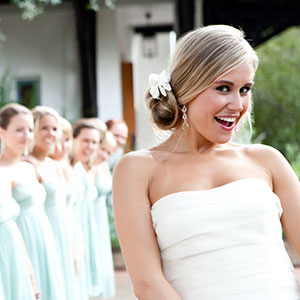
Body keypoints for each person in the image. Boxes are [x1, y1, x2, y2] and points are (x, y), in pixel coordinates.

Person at [113, 24, 300, 300]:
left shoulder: (267, 160)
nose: (237, 105)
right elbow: (148, 284)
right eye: (223, 88)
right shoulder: (137, 170)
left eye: (245, 89)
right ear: (189, 87)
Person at [0, 103, 64, 300]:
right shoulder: (3, 171)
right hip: (18, 241)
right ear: (2, 132)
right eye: (19, 130)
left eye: (29, 130)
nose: (26, 136)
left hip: (42, 239)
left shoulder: (27, 168)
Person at [26, 106, 76, 300]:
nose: (50, 133)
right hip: (44, 235)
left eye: (54, 129)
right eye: (44, 128)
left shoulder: (55, 166)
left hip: (63, 233)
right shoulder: (28, 165)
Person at [91, 128, 117, 298]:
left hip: (100, 217)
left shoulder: (103, 166)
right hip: (91, 215)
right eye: (103, 150)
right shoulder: (89, 168)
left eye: (109, 152)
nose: (105, 156)